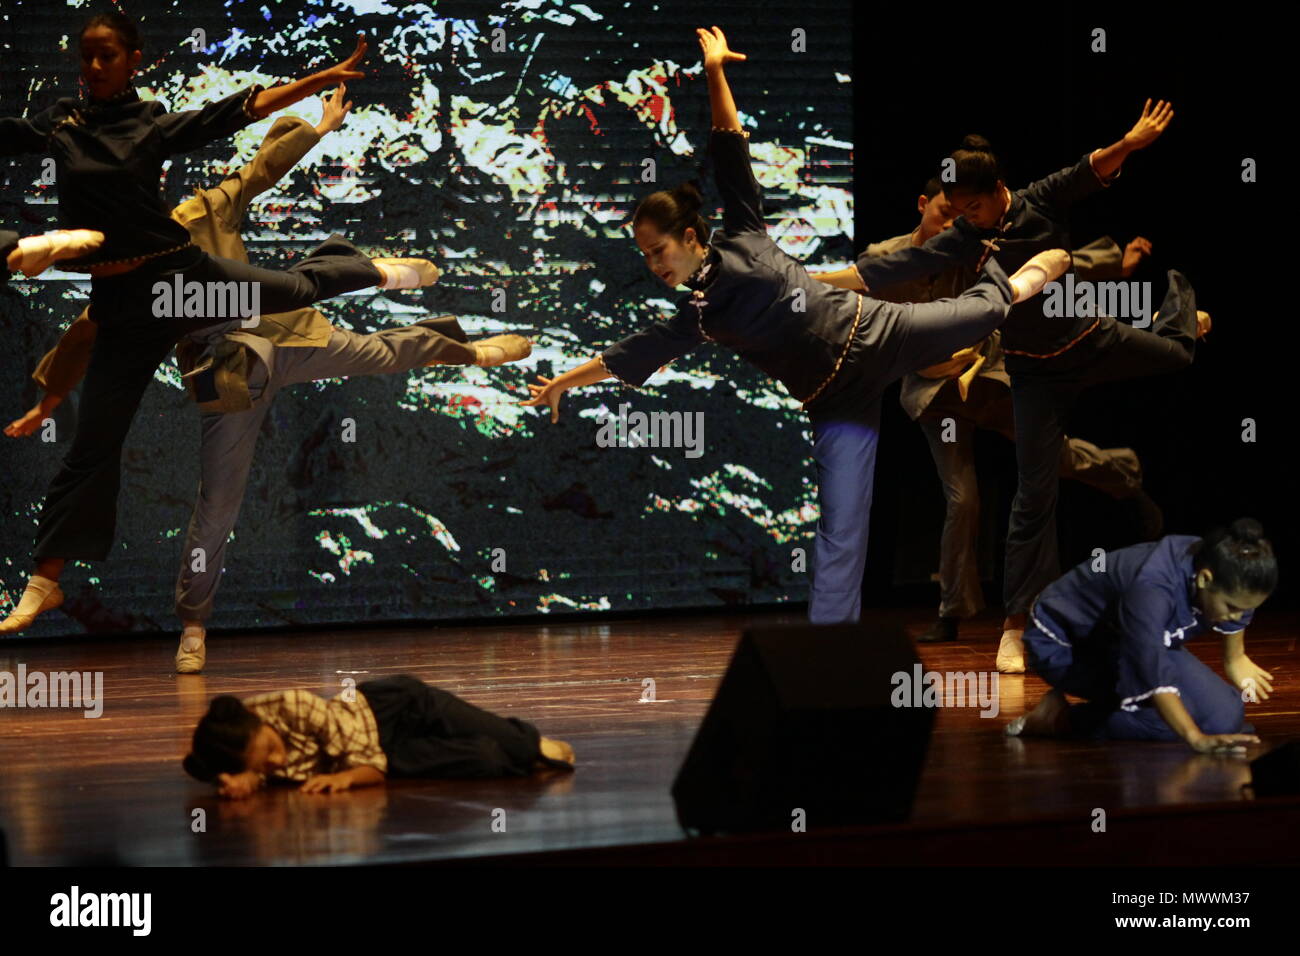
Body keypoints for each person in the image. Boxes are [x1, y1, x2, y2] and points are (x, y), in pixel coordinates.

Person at [521, 26, 1070, 625]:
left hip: (871, 331)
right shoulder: (698, 318)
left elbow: (728, 142)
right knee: (841, 524)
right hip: (834, 399)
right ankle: (832, 648)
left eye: (658, 251)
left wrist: (714, 72)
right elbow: (625, 354)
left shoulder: (744, 232)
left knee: (986, 310)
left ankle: (1020, 279)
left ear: (688, 237)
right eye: (645, 257)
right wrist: (560, 385)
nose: (654, 266)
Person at [3, 91, 531, 667]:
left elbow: (260, 171)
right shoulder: (122, 269)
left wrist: (322, 126)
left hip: (288, 332)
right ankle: (194, 624)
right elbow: (85, 333)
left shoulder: (200, 212)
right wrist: (48, 402)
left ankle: (463, 349)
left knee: (381, 352)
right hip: (230, 376)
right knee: (219, 503)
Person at [0, 14, 440, 633]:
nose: (93, 67)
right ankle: (45, 582)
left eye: (107, 56)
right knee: (94, 445)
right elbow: (81, 330)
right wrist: (49, 401)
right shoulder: (62, 124)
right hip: (125, 304)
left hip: (182, 281)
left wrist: (320, 85)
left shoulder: (150, 125)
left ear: (134, 60)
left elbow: (242, 112)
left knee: (296, 290)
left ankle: (381, 274)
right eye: (86, 56)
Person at [819, 118, 1207, 671]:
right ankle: (1016, 626)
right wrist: (807, 283)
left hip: (1088, 337)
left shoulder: (1038, 201)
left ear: (998, 192)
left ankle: (1186, 309)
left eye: (971, 208)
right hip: (1034, 376)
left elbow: (1087, 170)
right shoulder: (963, 239)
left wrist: (1129, 143)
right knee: (1034, 494)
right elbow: (886, 267)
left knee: (1179, 353)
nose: (964, 219)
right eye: (956, 209)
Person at [1007, 519, 1275, 752]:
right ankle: (1058, 720)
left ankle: (1091, 714)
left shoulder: (1218, 560)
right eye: (1232, 608)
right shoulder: (1152, 587)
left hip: (1119, 638)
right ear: (1204, 579)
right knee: (1165, 721)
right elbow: (1152, 671)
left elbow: (1241, 602)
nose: (1239, 616)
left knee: (1226, 715)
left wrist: (1235, 657)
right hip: (1067, 645)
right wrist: (1195, 738)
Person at [183, 674, 575, 798]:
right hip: (388, 751)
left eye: (270, 749)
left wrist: (345, 778)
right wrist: (245, 778)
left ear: (262, 723)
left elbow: (367, 765)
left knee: (503, 738)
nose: (276, 762)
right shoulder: (244, 757)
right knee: (486, 760)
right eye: (263, 766)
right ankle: (520, 753)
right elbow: (233, 772)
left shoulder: (293, 707)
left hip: (391, 708)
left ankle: (526, 743)